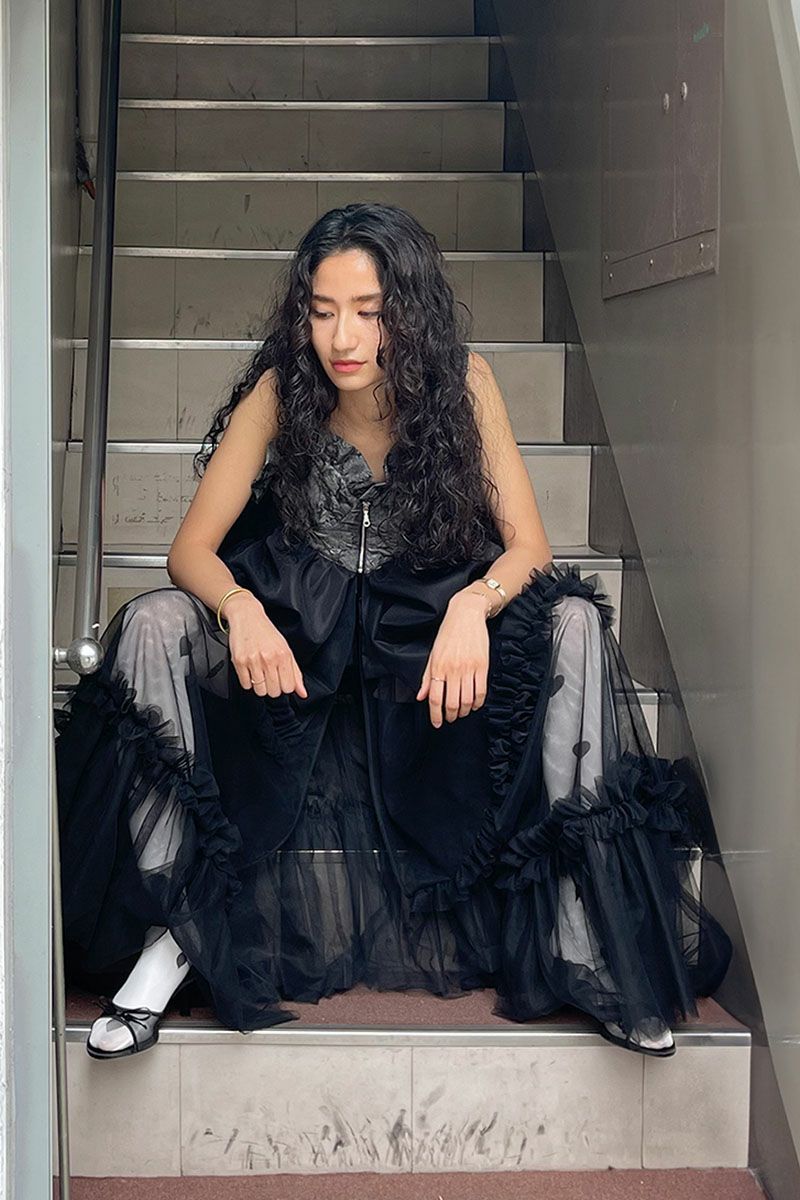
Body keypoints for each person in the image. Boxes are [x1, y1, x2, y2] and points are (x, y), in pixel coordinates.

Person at [55, 202, 733, 1062]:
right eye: (322, 310)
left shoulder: (465, 382)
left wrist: (471, 607)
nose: (342, 337)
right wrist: (240, 609)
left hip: (421, 635)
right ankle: (175, 932)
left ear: (408, 310)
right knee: (155, 621)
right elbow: (190, 550)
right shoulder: (282, 389)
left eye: (368, 312)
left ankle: (586, 943)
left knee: (569, 621)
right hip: (299, 636)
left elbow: (529, 546)